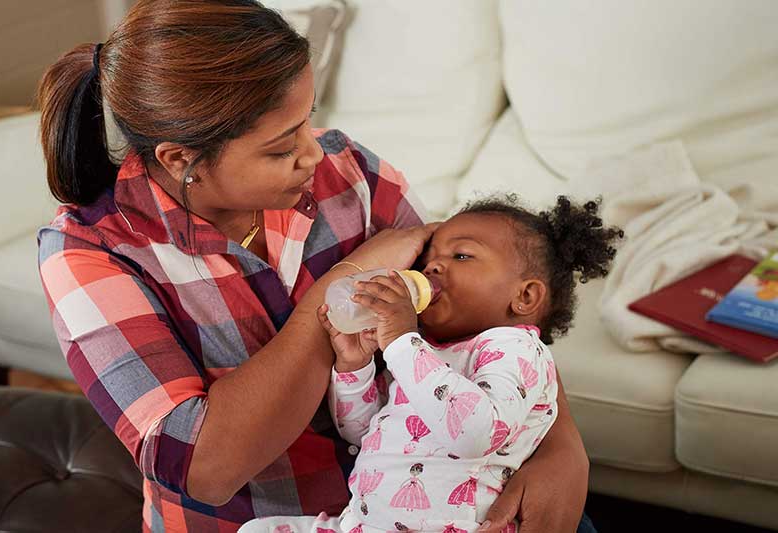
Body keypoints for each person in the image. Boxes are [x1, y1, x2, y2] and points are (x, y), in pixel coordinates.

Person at [35, 1, 596, 531]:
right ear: (182, 160)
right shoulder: (90, 255)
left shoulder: (350, 172)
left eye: (308, 120)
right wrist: (335, 290)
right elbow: (205, 469)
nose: (315, 153)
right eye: (281, 147)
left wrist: (561, 446)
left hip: (437, 505)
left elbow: (485, 308)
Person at [240, 196, 621, 533]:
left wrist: (403, 343)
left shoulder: (517, 349)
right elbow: (363, 432)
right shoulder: (426, 350)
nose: (432, 268)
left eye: (461, 256)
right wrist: (355, 368)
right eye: (429, 259)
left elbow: (475, 435)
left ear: (524, 296)